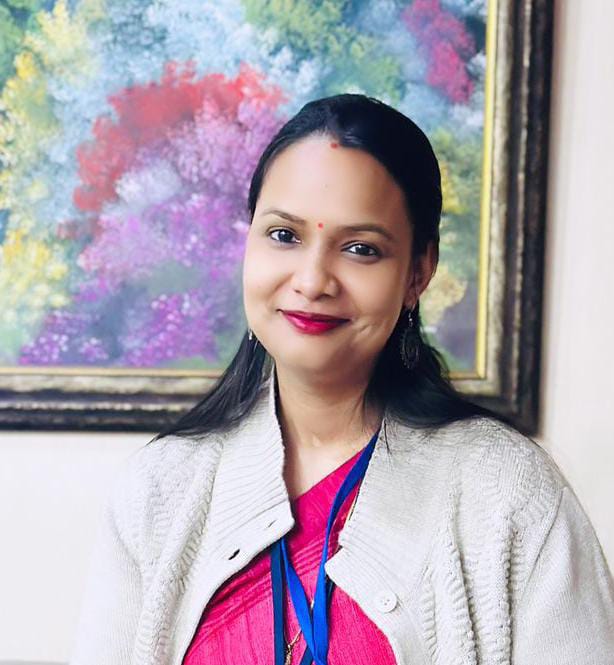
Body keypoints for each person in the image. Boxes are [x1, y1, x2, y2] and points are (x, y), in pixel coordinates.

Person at [70, 94, 614, 665]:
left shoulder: (509, 494)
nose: (312, 281)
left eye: (360, 249)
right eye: (284, 235)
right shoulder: (159, 490)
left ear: (418, 273)